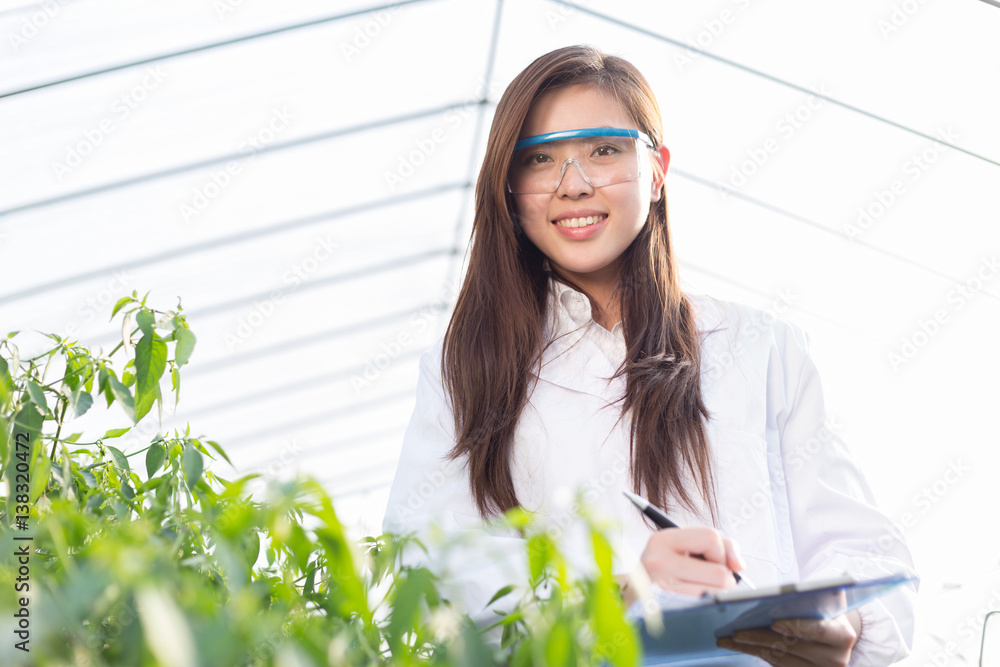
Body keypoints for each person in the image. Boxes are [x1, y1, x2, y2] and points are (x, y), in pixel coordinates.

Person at [382, 44, 917, 666]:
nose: (573, 184)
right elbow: (424, 557)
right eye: (540, 159)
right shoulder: (464, 369)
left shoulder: (761, 349)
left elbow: (866, 551)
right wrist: (621, 584)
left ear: (657, 169)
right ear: (508, 187)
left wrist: (843, 624)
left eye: (603, 150)